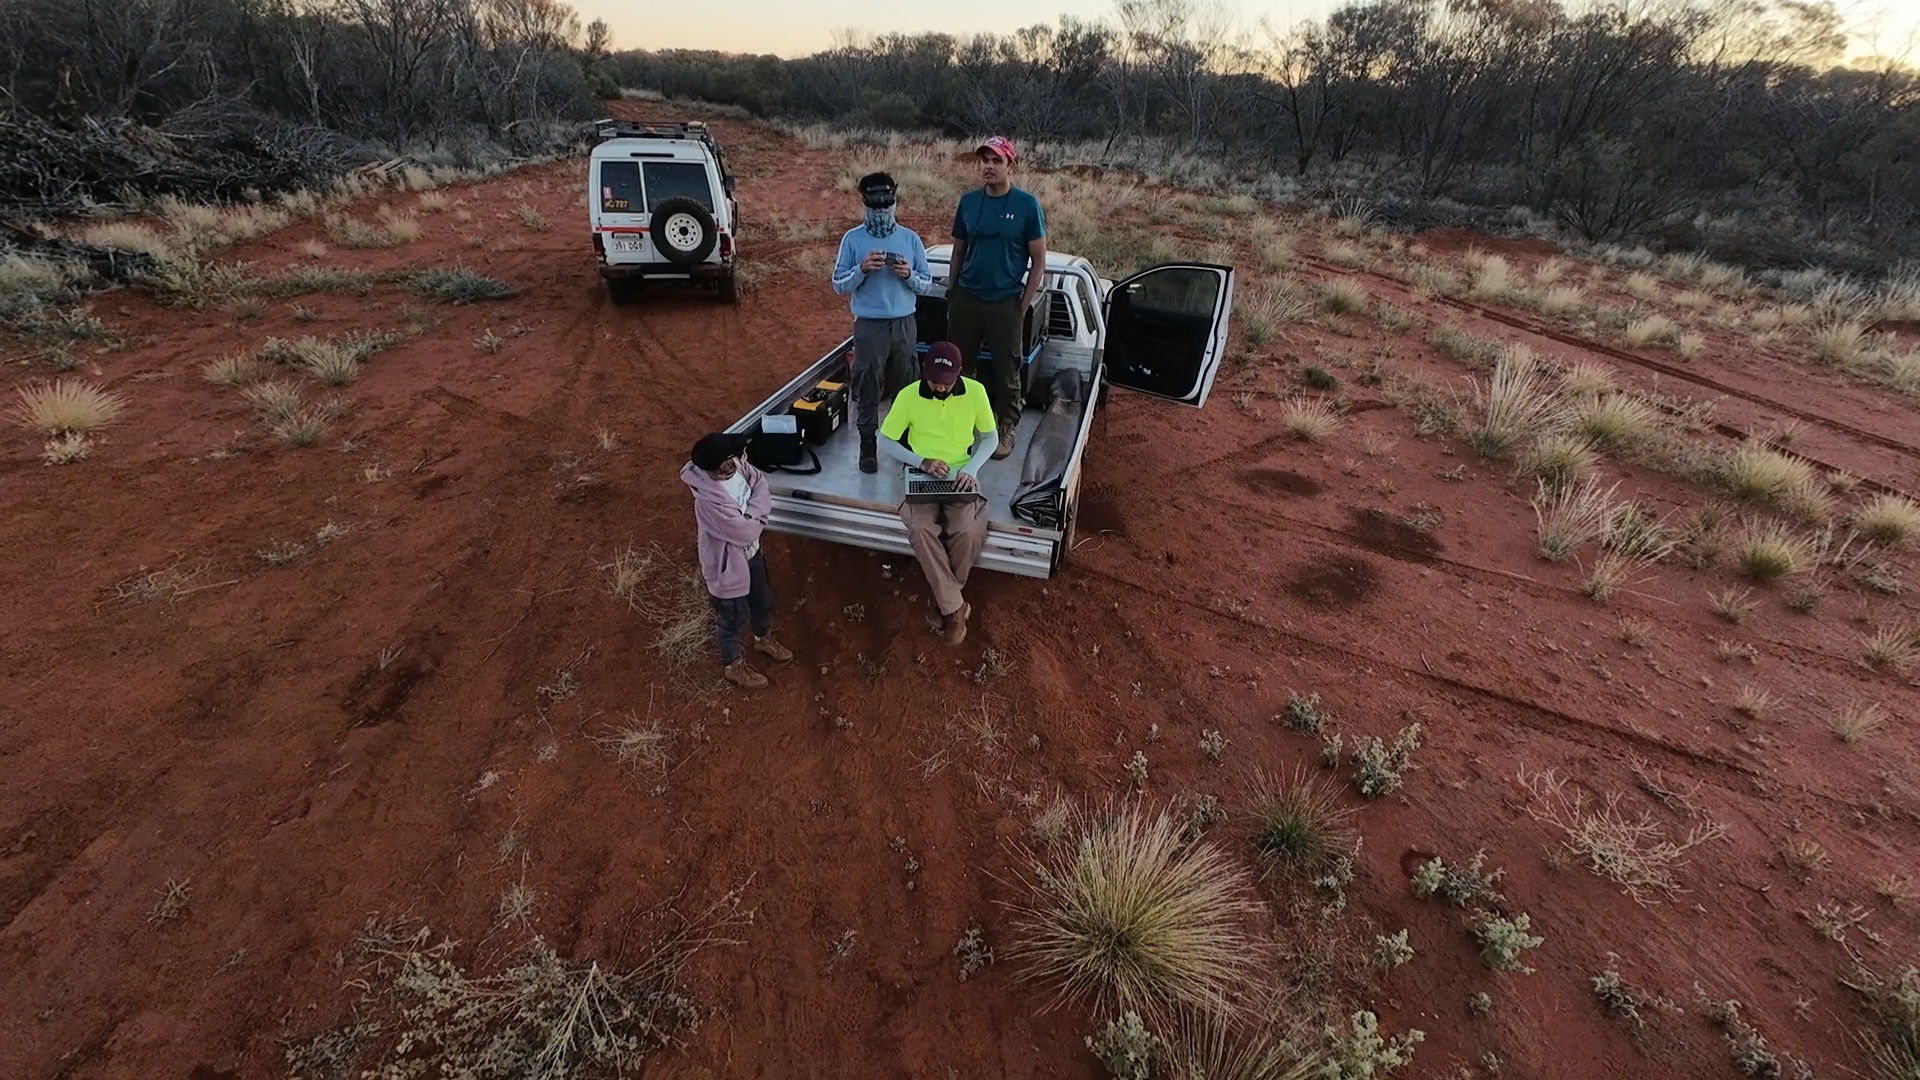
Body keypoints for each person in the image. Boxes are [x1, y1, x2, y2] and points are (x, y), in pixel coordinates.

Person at [878, 342, 997, 646]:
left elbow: (990, 438)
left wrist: (972, 468)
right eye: (933, 381)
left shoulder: (976, 392)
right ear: (924, 372)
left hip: (962, 473)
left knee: (968, 531)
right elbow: (885, 440)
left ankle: (944, 600)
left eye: (945, 382)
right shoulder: (908, 396)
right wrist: (922, 462)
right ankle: (956, 609)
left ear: (958, 374)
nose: (939, 388)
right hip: (920, 472)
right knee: (920, 528)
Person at [945, 135, 1046, 461]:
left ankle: (1006, 427)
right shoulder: (968, 202)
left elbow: (1038, 261)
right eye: (984, 160)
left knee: (1007, 370)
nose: (988, 166)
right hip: (967, 299)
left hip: (1005, 302)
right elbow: (959, 251)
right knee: (960, 367)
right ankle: (962, 423)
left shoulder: (1027, 206)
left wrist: (1024, 302)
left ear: (1010, 165)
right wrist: (953, 290)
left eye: (996, 160)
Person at [831, 171, 937, 474]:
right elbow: (838, 284)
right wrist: (861, 270)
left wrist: (909, 276)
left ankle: (904, 443)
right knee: (866, 383)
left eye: (886, 202)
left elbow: (928, 285)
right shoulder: (853, 239)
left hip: (904, 323)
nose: (880, 210)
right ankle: (868, 442)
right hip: (869, 325)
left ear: (895, 200)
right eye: (874, 203)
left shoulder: (910, 239)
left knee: (905, 384)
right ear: (864, 202)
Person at [680, 433, 793, 689]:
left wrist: (753, 515)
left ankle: (763, 638)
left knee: (762, 601)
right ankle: (733, 665)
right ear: (723, 466)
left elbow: (761, 484)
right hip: (728, 568)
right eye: (735, 457)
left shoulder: (739, 467)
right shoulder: (708, 501)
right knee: (732, 616)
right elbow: (745, 532)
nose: (743, 459)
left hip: (752, 555)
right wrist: (759, 516)